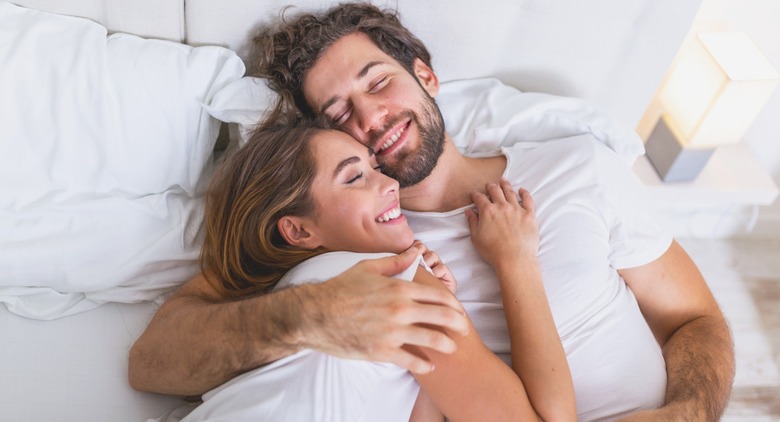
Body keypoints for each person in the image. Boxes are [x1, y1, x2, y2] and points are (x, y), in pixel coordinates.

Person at [130, 1, 735, 421]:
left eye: (377, 82)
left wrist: (687, 412)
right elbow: (157, 358)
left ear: (426, 75)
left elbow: (697, 321)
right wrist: (304, 315)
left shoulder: (578, 167)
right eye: (338, 115)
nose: (369, 119)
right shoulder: (355, 239)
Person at [175, 118, 573, 421]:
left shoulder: (289, 293)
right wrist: (518, 260)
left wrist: (445, 304)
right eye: (354, 177)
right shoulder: (381, 279)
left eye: (374, 167)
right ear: (298, 229)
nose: (389, 184)